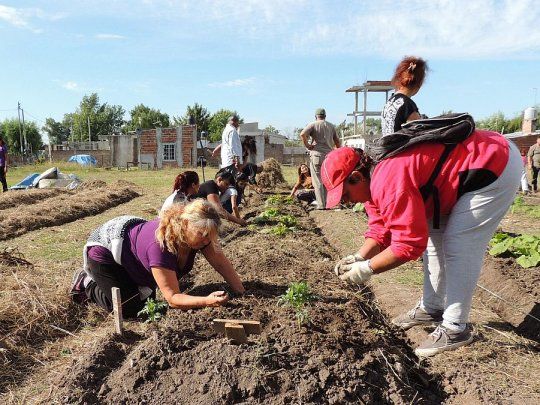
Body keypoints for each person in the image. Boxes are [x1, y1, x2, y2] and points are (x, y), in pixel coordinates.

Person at [323, 129, 521, 357]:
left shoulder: (388, 179)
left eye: (345, 195)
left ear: (356, 177)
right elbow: (380, 229)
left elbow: (408, 245)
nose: (346, 202)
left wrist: (367, 269)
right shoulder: (372, 178)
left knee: (459, 244)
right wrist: (359, 257)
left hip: (492, 163)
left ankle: (456, 328)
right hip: (455, 178)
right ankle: (431, 308)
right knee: (434, 240)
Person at [70, 199, 246, 317]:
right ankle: (87, 284)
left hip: (132, 242)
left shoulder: (200, 238)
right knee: (128, 308)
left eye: (210, 235)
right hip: (105, 249)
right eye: (202, 234)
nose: (206, 240)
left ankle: (132, 276)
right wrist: (207, 301)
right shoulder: (161, 246)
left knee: (149, 304)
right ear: (185, 224)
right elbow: (173, 298)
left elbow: (220, 263)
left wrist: (241, 291)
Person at [300, 108, 340, 209]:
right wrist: (337, 152)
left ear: (316, 116)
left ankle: (321, 205)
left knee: (317, 181)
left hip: (316, 156)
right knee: (326, 180)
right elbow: (337, 142)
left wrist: (308, 145)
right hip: (329, 157)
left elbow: (302, 134)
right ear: (325, 116)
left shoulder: (313, 124)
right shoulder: (331, 126)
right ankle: (328, 203)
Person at [381, 56, 428, 136]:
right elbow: (419, 131)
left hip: (387, 147)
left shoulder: (389, 102)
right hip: (401, 148)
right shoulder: (407, 105)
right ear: (419, 84)